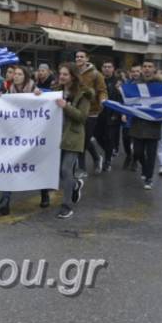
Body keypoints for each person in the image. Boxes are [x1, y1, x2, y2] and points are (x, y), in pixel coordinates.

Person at [33, 63, 91, 219]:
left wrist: (66, 106)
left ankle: (66, 206)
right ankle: (75, 184)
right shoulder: (56, 90)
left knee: (66, 170)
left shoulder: (84, 94)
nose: (62, 77)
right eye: (60, 74)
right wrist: (38, 95)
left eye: (65, 74)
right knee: (59, 172)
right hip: (56, 135)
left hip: (73, 136)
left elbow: (82, 117)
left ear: (73, 76)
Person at [0, 65, 41, 216]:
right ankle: (5, 202)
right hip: (14, 136)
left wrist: (39, 95)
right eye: (15, 74)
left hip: (31, 136)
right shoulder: (10, 90)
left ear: (26, 76)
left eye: (19, 74)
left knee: (36, 166)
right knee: (9, 166)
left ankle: (44, 193)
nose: (16, 76)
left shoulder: (33, 89)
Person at [130, 60, 162, 190]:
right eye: (145, 66)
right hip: (138, 122)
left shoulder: (159, 84)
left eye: (150, 66)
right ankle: (144, 167)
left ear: (154, 69)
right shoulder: (135, 83)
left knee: (151, 153)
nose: (147, 69)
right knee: (137, 152)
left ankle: (149, 177)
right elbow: (129, 100)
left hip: (153, 123)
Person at [76, 50, 108, 177]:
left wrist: (102, 99)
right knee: (80, 139)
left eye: (81, 56)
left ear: (87, 58)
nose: (79, 58)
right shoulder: (73, 72)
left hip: (92, 111)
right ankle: (83, 168)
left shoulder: (96, 74)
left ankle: (95, 159)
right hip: (76, 110)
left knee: (84, 140)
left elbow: (102, 90)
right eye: (77, 56)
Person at [96, 61, 122, 172]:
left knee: (109, 138)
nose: (107, 69)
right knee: (97, 136)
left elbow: (120, 99)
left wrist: (117, 114)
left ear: (113, 69)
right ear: (102, 68)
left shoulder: (118, 83)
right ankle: (109, 152)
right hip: (99, 114)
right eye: (105, 67)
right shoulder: (98, 81)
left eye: (109, 67)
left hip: (112, 114)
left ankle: (107, 161)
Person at [122, 64, 141, 170]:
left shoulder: (144, 84)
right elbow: (124, 100)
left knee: (137, 140)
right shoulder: (127, 84)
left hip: (138, 115)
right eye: (133, 71)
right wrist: (123, 113)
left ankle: (135, 160)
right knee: (125, 138)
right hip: (128, 114)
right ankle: (128, 155)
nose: (135, 73)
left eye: (137, 71)